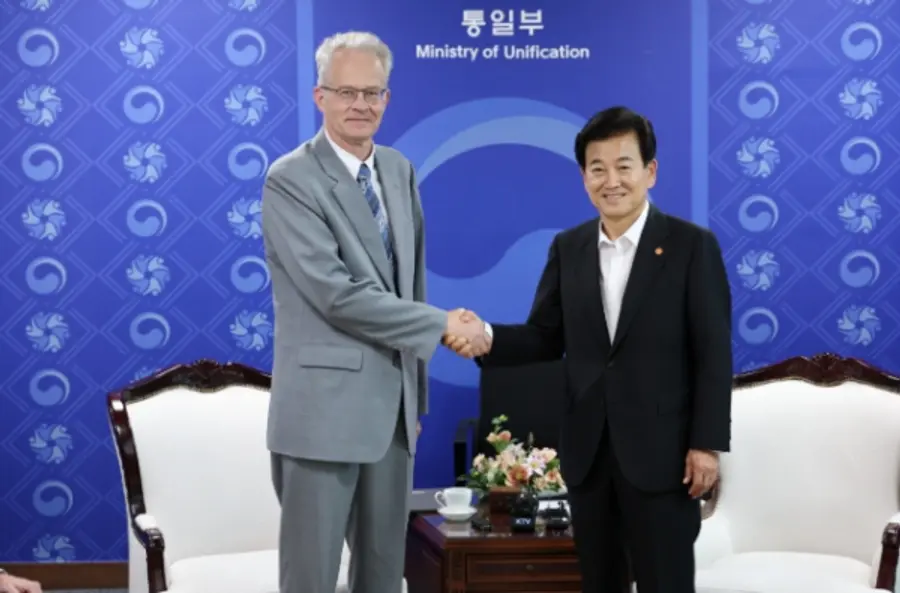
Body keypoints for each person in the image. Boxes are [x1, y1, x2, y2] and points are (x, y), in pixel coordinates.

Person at [445, 106, 733, 593]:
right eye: (598, 168)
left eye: (624, 166)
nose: (611, 181)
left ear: (650, 171)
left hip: (663, 458)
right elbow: (545, 335)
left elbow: (713, 353)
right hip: (589, 457)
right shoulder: (569, 247)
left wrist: (705, 445)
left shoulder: (691, 247)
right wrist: (485, 336)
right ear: (584, 178)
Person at [261, 31, 483, 593]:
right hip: (322, 414)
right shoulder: (291, 178)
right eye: (346, 92)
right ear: (320, 96)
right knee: (310, 578)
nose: (360, 104)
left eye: (372, 93)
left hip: (392, 414)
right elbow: (336, 294)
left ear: (387, 98)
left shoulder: (398, 170)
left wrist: (414, 397)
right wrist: (441, 325)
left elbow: (409, 284)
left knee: (383, 575)